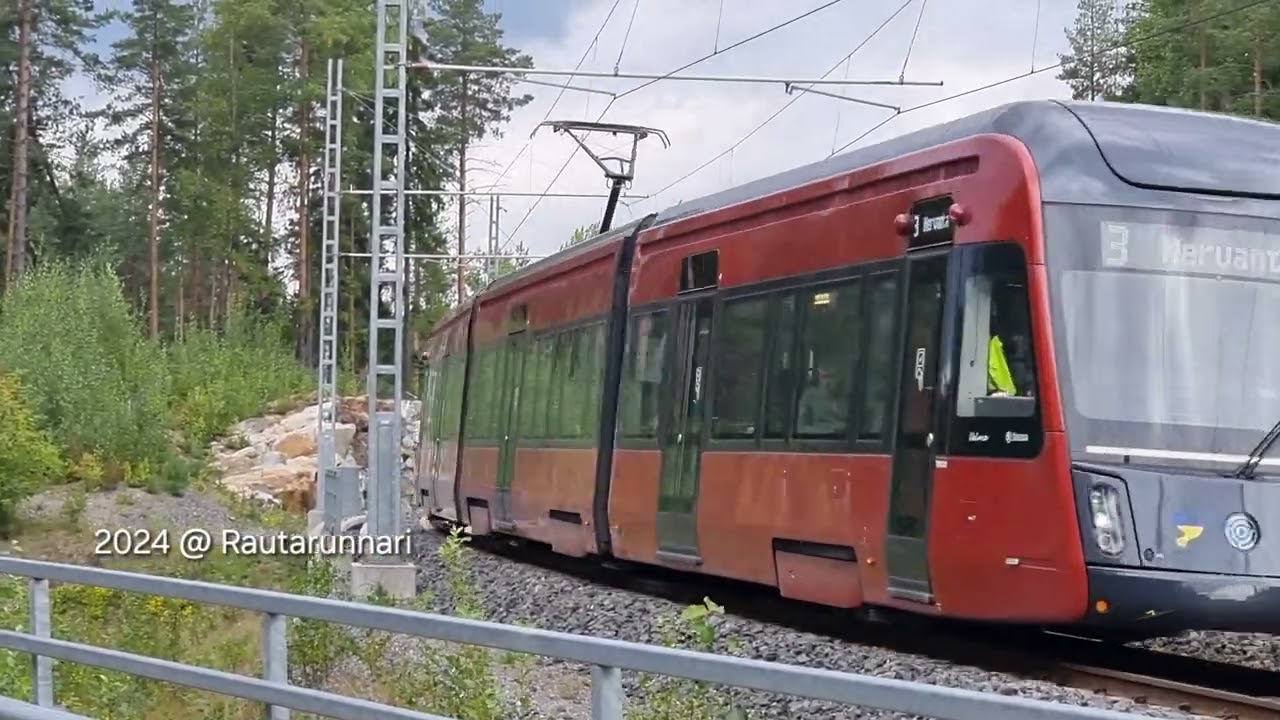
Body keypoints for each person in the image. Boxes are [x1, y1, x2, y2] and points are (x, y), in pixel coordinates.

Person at [798, 366, 845, 434]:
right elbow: (801, 427)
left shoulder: (844, 399)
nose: (828, 381)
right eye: (824, 377)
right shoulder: (810, 395)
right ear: (819, 378)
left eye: (831, 377)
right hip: (818, 437)